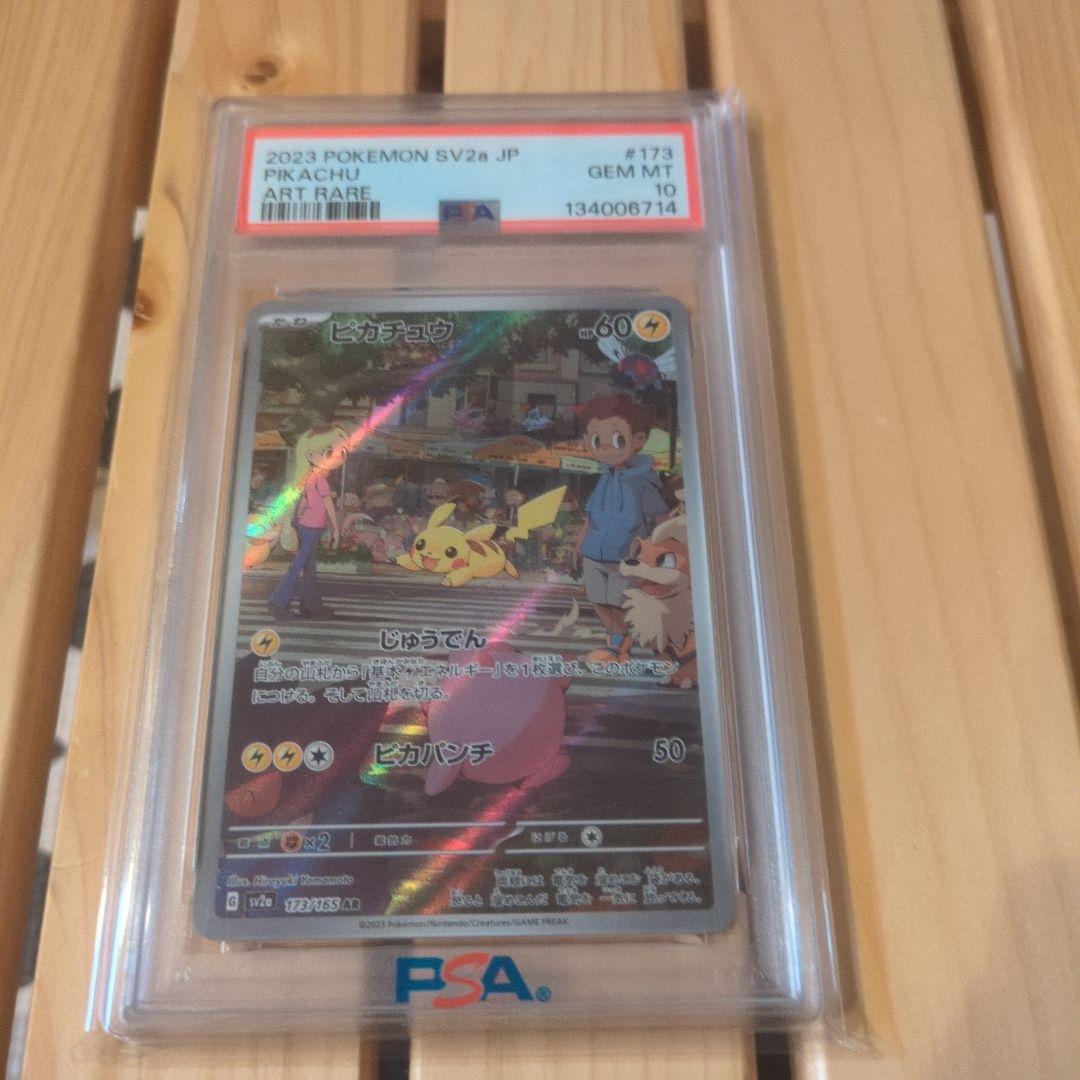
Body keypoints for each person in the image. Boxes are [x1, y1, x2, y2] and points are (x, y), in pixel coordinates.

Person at [573, 394, 667, 657]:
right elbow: (590, 516)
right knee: (596, 598)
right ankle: (617, 640)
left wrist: (655, 552)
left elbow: (661, 520)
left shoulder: (642, 482)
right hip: (593, 552)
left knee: (618, 601)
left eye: (617, 440)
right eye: (596, 441)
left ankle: (617, 643)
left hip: (625, 556)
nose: (606, 449)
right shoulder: (605, 477)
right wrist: (579, 544)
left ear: (638, 440)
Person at [268, 427, 343, 620]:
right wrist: (336, 529)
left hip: (306, 525)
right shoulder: (320, 480)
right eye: (329, 452)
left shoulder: (309, 477)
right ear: (311, 454)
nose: (336, 458)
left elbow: (304, 500)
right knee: (300, 564)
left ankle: (311, 605)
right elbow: (328, 505)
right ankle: (279, 602)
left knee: (309, 567)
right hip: (312, 527)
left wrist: (299, 517)